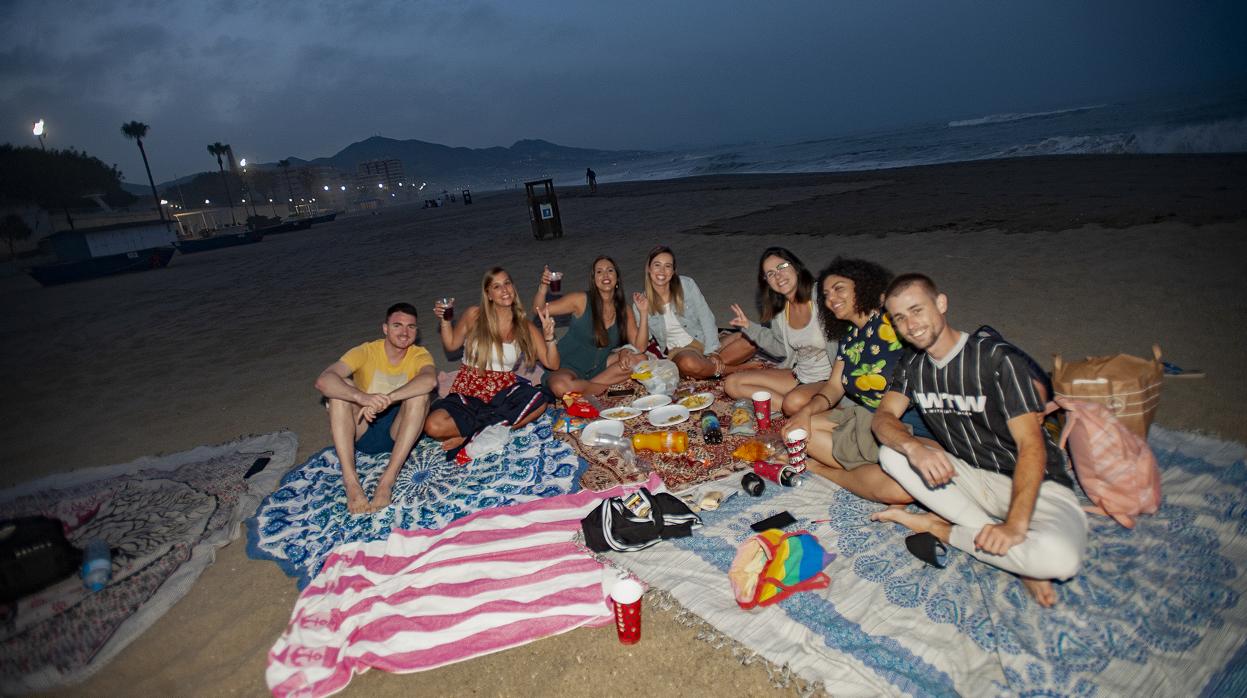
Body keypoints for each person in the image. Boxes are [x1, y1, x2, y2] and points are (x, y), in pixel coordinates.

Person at [870, 274, 1087, 607]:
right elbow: (883, 418)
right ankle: (994, 539)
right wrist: (912, 447)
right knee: (892, 454)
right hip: (971, 477)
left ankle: (943, 530)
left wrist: (1015, 526)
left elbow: (1032, 445)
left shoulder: (997, 359)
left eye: (917, 310)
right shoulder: (912, 363)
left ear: (941, 304)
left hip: (1035, 484)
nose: (911, 325)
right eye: (900, 318)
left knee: (1061, 561)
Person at [781, 258, 930, 504]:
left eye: (839, 288)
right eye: (826, 294)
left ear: (863, 286)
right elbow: (834, 386)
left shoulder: (893, 321)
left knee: (900, 490)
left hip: (914, 427)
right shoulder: (850, 338)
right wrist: (805, 412)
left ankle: (824, 469)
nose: (831, 299)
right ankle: (871, 469)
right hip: (867, 424)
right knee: (798, 430)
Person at [314, 302, 437, 513]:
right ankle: (351, 483)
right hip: (362, 427)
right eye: (397, 325)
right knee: (339, 393)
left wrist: (387, 399)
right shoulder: (366, 351)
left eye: (411, 327)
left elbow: (430, 381)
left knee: (420, 395)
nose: (404, 332)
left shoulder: (419, 354)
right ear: (385, 328)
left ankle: (386, 482)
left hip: (398, 432)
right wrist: (361, 397)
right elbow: (323, 381)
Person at [425, 267, 559, 455]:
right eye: (496, 287)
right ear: (488, 294)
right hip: (469, 388)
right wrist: (445, 321)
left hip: (502, 392)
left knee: (539, 402)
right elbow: (451, 345)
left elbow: (552, 363)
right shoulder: (475, 315)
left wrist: (549, 337)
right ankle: (488, 429)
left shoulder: (524, 326)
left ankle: (473, 432)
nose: (504, 290)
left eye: (507, 283)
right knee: (433, 426)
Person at [724, 247, 835, 415]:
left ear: (796, 267)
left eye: (782, 267)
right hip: (800, 375)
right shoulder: (781, 311)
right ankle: (797, 407)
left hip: (829, 379)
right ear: (766, 282)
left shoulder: (822, 296)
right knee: (732, 384)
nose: (778, 276)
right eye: (770, 273)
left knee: (793, 402)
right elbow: (781, 349)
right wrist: (749, 327)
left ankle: (800, 405)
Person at [532, 257, 644, 397]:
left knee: (641, 360)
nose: (605, 275)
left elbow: (640, 347)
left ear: (617, 278)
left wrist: (643, 313)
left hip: (600, 367)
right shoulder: (581, 300)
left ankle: (586, 387)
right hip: (567, 365)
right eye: (599, 272)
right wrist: (543, 286)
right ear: (594, 280)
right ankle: (600, 388)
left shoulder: (624, 309)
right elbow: (539, 310)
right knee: (560, 386)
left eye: (610, 270)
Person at [634, 246, 749, 379]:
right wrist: (643, 312)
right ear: (648, 268)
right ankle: (737, 369)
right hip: (681, 352)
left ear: (673, 271)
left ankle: (706, 368)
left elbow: (705, 317)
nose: (662, 271)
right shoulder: (641, 302)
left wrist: (712, 351)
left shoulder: (687, 285)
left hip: (702, 340)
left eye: (668, 266)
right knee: (688, 363)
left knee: (750, 338)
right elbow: (641, 347)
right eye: (657, 265)